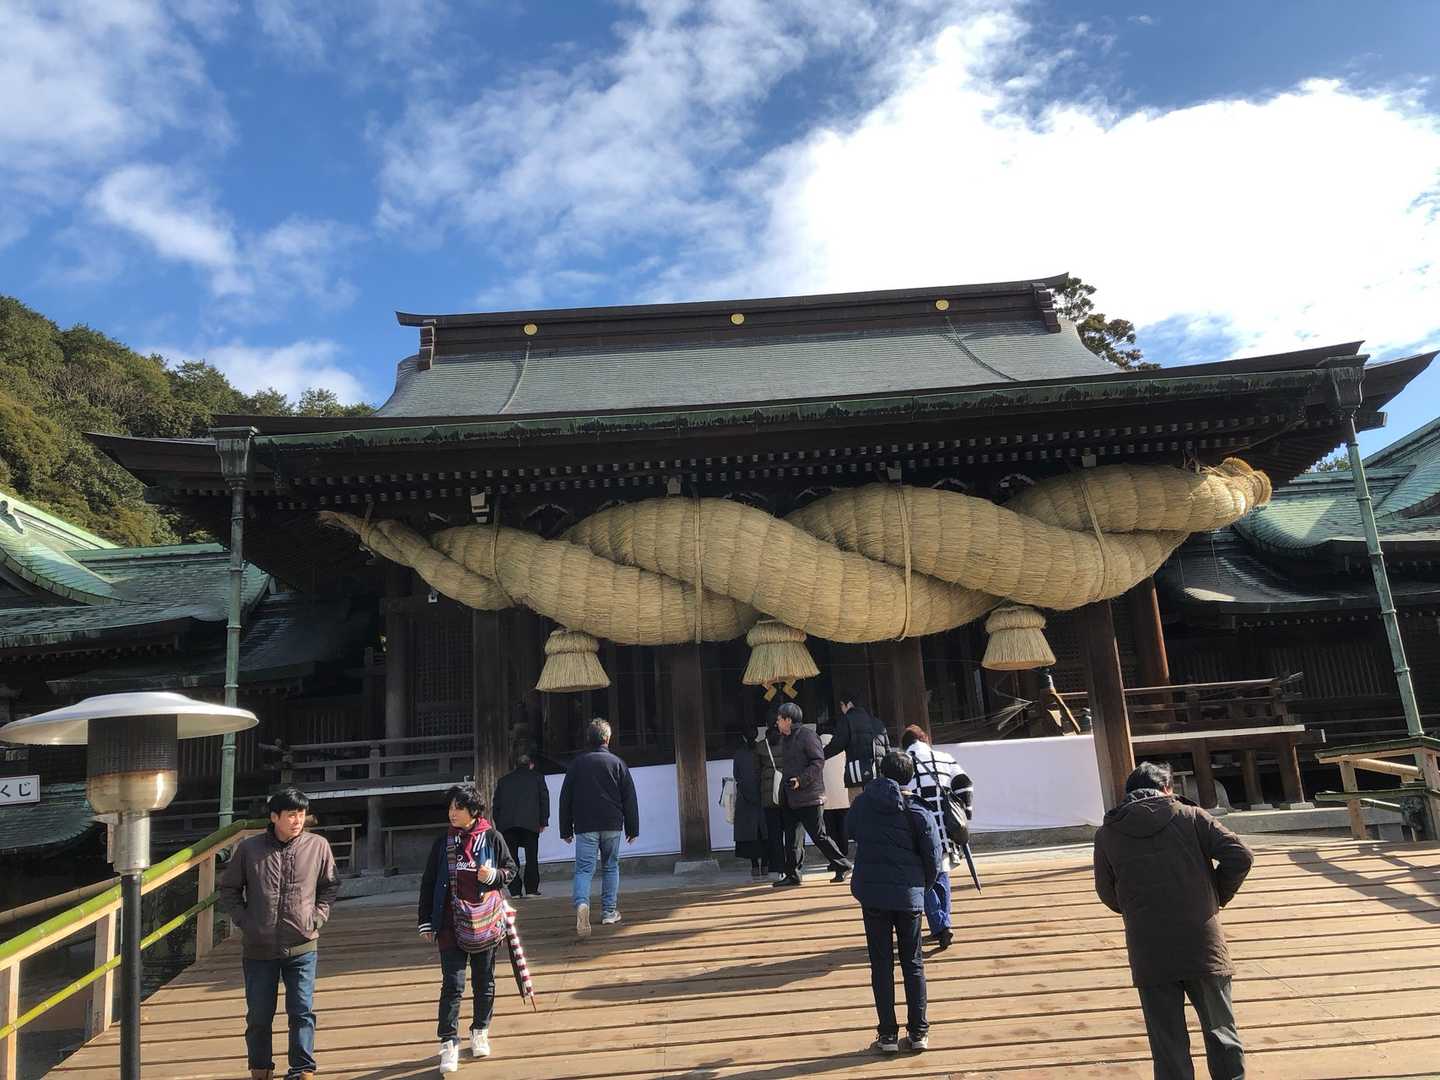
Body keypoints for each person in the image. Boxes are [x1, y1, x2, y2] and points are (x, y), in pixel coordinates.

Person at [1095, 762, 1254, 1080]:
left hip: (1148, 947)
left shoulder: (1108, 833)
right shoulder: (1191, 816)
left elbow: (1106, 891)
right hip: (1202, 942)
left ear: (1128, 793)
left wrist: (1137, 911)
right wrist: (1216, 895)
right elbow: (1240, 855)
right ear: (1167, 788)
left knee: (1167, 1043)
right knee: (1221, 1031)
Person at [219, 788, 339, 1080]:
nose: (297, 821)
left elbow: (330, 885)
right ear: (274, 817)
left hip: (302, 943)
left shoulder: (318, 846)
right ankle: (261, 1069)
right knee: (259, 1015)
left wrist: (318, 917)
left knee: (302, 1011)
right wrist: (245, 921)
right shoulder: (249, 849)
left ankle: (303, 1069)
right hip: (259, 948)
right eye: (291, 815)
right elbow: (229, 889)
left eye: (301, 814)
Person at [418, 783, 518, 1073]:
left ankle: (480, 1031)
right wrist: (426, 920)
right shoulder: (443, 842)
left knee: (484, 980)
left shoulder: (492, 837)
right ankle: (448, 1042)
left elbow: (511, 870)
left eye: (458, 808)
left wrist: (494, 876)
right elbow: (429, 881)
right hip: (450, 922)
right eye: (450, 807)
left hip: (485, 922)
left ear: (474, 811)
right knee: (453, 984)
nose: (452, 813)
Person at [847, 749, 940, 1054]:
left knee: (881, 963)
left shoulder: (863, 803)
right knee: (913, 963)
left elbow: (849, 831)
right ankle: (918, 1031)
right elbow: (933, 858)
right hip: (908, 895)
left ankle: (887, 1034)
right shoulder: (918, 810)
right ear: (910, 777)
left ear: (881, 771)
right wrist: (921, 888)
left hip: (873, 893)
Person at [558, 718, 639, 937]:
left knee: (584, 869)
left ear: (588, 739)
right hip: (612, 823)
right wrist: (632, 829)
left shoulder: (577, 764)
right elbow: (629, 798)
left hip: (585, 824)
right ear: (607, 738)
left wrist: (565, 829)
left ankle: (582, 904)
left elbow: (565, 798)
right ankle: (609, 912)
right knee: (610, 866)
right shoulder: (617, 763)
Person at [900, 723, 969, 950]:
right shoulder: (945, 758)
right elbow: (964, 785)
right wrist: (966, 813)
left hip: (916, 827)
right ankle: (943, 923)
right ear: (925, 738)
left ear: (905, 745)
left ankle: (940, 924)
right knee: (941, 873)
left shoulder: (903, 762)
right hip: (943, 827)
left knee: (923, 878)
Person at [773, 701, 853, 887]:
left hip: (809, 796)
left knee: (818, 835)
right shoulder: (786, 739)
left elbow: (818, 762)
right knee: (792, 837)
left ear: (788, 720)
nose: (777, 722)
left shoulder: (808, 736)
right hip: (791, 795)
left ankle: (843, 864)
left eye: (779, 719)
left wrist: (801, 780)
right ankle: (793, 873)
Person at [492, 754, 550, 898]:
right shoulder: (537, 778)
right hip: (530, 823)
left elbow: (496, 805)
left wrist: (499, 824)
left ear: (515, 766)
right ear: (531, 765)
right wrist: (543, 821)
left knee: (511, 858)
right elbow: (544, 800)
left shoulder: (504, 781)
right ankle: (531, 889)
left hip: (507, 825)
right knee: (531, 857)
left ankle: (515, 891)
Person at [755, 722, 802, 881]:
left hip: (770, 796)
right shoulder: (789, 743)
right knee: (791, 832)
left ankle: (777, 868)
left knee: (774, 835)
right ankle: (793, 866)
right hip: (789, 793)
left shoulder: (761, 747)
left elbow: (756, 771)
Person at [824, 694, 891, 801]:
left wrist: (819, 756)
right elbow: (888, 751)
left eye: (842, 705)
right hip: (880, 777)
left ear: (849, 704)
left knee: (859, 808)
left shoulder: (847, 720)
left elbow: (837, 745)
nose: (842, 709)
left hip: (858, 776)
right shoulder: (878, 722)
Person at [731, 732, 768, 878]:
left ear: (743, 737)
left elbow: (736, 775)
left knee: (750, 834)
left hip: (745, 799)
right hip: (764, 795)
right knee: (766, 833)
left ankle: (754, 867)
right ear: (757, 734)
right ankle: (765, 865)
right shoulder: (763, 750)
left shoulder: (739, 754)